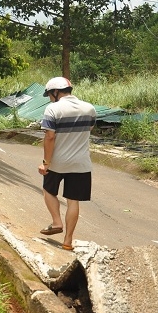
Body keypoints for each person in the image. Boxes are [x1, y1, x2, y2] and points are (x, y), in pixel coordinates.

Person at [37, 76, 96, 251]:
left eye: (49, 94)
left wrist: (46, 163)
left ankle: (56, 222)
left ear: (55, 92)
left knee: (48, 190)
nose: (49, 98)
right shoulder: (90, 108)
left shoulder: (52, 109)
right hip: (81, 164)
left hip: (57, 162)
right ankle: (68, 241)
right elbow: (88, 130)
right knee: (73, 201)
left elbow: (49, 137)